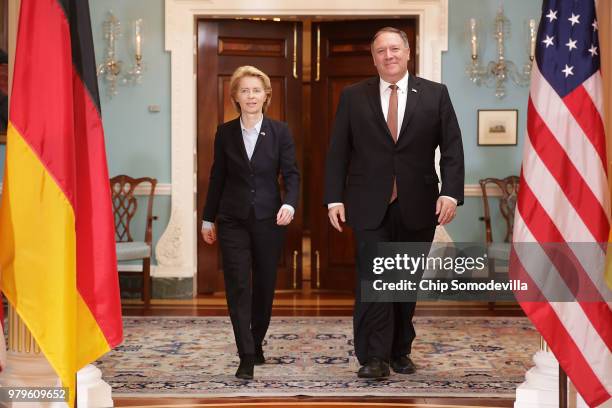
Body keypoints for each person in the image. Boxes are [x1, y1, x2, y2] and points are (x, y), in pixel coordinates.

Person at [324, 27, 464, 379]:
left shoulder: (435, 94)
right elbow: (338, 151)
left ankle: (400, 350)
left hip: (419, 204)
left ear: (408, 52)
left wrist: (450, 192)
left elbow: (452, 148)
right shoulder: (353, 96)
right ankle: (374, 357)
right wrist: (334, 198)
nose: (388, 55)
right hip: (367, 204)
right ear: (373, 58)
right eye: (381, 50)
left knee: (404, 280)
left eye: (394, 48)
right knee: (375, 279)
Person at [201, 65, 300, 380]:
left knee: (264, 285)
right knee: (238, 285)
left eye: (257, 90)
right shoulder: (224, 132)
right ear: (236, 97)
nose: (251, 95)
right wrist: (207, 218)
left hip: (269, 219)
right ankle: (245, 354)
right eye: (245, 90)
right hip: (232, 219)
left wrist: (290, 203)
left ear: (266, 95)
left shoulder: (280, 131)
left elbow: (292, 174)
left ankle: (256, 341)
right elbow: (218, 177)